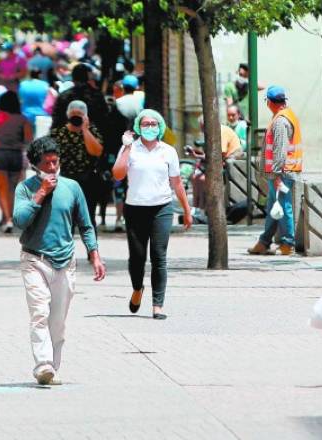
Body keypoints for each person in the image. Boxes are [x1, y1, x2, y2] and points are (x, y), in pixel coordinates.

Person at [13, 136, 106, 385]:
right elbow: (19, 221)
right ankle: (43, 364)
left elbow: (86, 225)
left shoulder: (72, 188)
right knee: (39, 313)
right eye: (47, 163)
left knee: (58, 321)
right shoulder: (25, 188)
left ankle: (53, 367)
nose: (53, 168)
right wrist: (41, 193)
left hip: (65, 261)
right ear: (35, 164)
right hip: (35, 259)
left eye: (55, 162)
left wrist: (94, 254)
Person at [112, 109, 192, 320]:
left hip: (161, 208)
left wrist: (186, 209)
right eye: (145, 124)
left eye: (153, 124)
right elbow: (118, 174)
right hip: (135, 208)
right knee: (137, 257)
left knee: (159, 257)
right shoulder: (131, 148)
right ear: (139, 127)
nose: (149, 127)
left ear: (160, 127)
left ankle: (158, 305)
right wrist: (128, 147)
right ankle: (137, 289)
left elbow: (176, 182)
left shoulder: (168, 151)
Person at [248, 85, 302, 256]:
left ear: (270, 102)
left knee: (283, 206)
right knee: (274, 206)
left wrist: (277, 175)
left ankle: (288, 243)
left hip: (282, 172)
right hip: (283, 171)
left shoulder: (280, 121)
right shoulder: (287, 115)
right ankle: (264, 241)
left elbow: (279, 150)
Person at [50, 100, 103, 229]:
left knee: (89, 218)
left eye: (79, 114)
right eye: (73, 114)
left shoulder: (92, 131)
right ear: (68, 115)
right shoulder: (58, 133)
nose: (76, 117)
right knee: (66, 218)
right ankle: (66, 248)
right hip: (66, 179)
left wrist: (85, 130)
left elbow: (96, 151)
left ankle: (92, 248)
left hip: (88, 179)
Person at [0, 91, 33, 233]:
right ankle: (8, 216)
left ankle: (7, 219)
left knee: (2, 189)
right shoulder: (22, 119)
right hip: (15, 155)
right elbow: (28, 140)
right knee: (12, 189)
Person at [191, 114, 242, 211]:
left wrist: (201, 157)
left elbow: (218, 155)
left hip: (229, 164)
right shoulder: (213, 132)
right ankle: (195, 208)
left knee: (202, 179)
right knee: (194, 178)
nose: (202, 131)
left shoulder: (221, 132)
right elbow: (213, 156)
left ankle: (203, 208)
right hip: (221, 162)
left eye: (202, 128)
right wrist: (199, 155)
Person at [51, 63, 109, 131]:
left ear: (73, 78)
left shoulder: (64, 96)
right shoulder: (97, 95)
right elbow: (104, 118)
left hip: (68, 136)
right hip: (92, 135)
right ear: (88, 78)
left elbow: (57, 119)